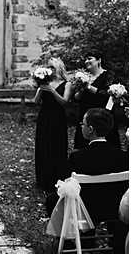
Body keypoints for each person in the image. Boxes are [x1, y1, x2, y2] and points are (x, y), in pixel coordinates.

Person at [68, 108, 128, 253]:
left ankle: (76, 243)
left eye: (83, 124)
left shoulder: (78, 157)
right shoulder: (123, 156)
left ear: (90, 130)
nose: (80, 126)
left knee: (54, 200)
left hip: (85, 210)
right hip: (115, 209)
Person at [33, 57, 73, 192]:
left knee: (57, 145)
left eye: (53, 68)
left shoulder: (66, 83)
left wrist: (52, 90)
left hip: (58, 117)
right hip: (44, 116)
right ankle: (43, 178)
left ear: (59, 69)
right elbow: (35, 102)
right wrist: (41, 88)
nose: (50, 70)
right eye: (48, 67)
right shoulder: (45, 83)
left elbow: (64, 102)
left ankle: (57, 176)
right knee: (43, 144)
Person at [73, 53, 118, 149]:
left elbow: (107, 95)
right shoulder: (83, 76)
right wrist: (81, 88)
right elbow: (76, 98)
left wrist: (89, 86)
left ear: (99, 60)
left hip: (101, 117)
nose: (86, 61)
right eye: (85, 59)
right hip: (84, 116)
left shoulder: (108, 75)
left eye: (89, 58)